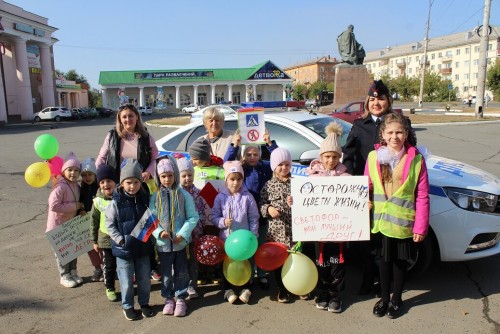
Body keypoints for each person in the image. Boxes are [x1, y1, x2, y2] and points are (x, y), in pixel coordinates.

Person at [342, 80, 417, 296]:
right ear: (367, 102)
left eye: (381, 98)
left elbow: (411, 154)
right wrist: (350, 182)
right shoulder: (359, 125)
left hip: (395, 191)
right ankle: (368, 280)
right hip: (369, 192)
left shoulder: (403, 124)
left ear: (389, 101)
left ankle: (388, 284)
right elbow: (349, 156)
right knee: (369, 242)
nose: (376, 103)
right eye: (372, 99)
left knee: (392, 243)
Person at [365, 112, 429, 319]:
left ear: (406, 133)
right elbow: (368, 184)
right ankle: (384, 298)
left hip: (402, 223)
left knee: (400, 263)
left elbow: (422, 195)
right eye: (390, 132)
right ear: (383, 134)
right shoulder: (374, 157)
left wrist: (420, 227)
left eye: (399, 132)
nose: (395, 136)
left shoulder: (417, 160)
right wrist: (364, 199)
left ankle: (397, 299)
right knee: (383, 262)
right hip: (381, 221)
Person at [96, 104, 160, 281]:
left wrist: (149, 170)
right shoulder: (112, 136)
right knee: (124, 225)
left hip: (141, 187)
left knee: (145, 223)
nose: (127, 120)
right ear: (119, 119)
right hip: (120, 188)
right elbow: (101, 159)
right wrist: (106, 178)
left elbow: (155, 156)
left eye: (131, 116)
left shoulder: (145, 136)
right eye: (124, 117)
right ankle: (127, 266)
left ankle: (151, 265)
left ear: (137, 117)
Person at [224, 129, 278, 290]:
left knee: (260, 245)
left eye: (255, 154)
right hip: (243, 216)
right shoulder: (241, 168)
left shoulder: (265, 167)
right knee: (246, 246)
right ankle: (248, 274)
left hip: (261, 214)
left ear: (260, 155)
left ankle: (261, 274)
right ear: (243, 156)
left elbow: (278, 159)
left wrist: (270, 143)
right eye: (248, 154)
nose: (252, 157)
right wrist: (235, 145)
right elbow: (226, 162)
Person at [305, 122, 350, 313]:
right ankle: (322, 292)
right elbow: (304, 202)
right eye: (327, 156)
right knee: (321, 263)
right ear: (321, 157)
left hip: (338, 235)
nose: (330, 160)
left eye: (334, 156)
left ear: (339, 157)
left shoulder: (347, 178)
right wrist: (295, 201)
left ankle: (335, 296)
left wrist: (364, 204)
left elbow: (353, 202)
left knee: (337, 265)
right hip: (319, 234)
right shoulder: (312, 178)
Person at [150, 156, 199, 317]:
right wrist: (159, 233)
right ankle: (168, 298)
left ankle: (180, 298)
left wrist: (183, 234)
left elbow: (193, 217)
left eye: (170, 175)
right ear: (158, 177)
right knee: (165, 272)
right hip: (163, 244)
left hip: (180, 244)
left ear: (175, 175)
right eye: (163, 176)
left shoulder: (184, 195)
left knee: (181, 271)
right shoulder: (155, 197)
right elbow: (151, 219)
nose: (167, 179)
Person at [105, 159, 154, 321]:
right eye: (128, 182)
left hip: (142, 248)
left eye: (135, 182)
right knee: (126, 282)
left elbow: (152, 218)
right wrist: (119, 240)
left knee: (144, 279)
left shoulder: (145, 198)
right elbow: (109, 224)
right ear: (122, 183)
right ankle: (128, 306)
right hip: (123, 250)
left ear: (140, 182)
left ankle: (144, 304)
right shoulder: (116, 202)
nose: (132, 186)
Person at [212, 161, 259, 304]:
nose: (235, 183)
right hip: (227, 239)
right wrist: (222, 222)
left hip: (245, 241)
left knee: (246, 263)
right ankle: (228, 289)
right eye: (232, 179)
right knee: (228, 264)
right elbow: (214, 216)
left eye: (239, 179)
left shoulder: (248, 197)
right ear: (226, 180)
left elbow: (253, 217)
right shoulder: (221, 197)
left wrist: (253, 236)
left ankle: (246, 288)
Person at [259, 148, 293, 303]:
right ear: (274, 166)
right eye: (280, 164)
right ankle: (282, 289)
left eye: (287, 164)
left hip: (294, 231)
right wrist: (268, 209)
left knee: (294, 260)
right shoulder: (268, 185)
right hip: (276, 231)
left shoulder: (297, 183)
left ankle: (297, 286)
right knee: (279, 261)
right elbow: (261, 204)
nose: (284, 168)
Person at [46, 152, 84, 288]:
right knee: (62, 252)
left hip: (70, 225)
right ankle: (64, 275)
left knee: (72, 249)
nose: (73, 173)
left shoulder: (76, 186)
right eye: (70, 170)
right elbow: (54, 205)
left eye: (76, 170)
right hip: (57, 226)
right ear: (63, 171)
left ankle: (72, 271)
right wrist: (75, 206)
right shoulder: (60, 186)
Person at [176, 157, 206, 299]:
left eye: (190, 175)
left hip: (194, 234)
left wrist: (199, 227)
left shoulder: (198, 193)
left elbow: (201, 212)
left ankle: (192, 286)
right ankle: (181, 285)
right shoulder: (176, 193)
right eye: (183, 175)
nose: (187, 178)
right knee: (181, 261)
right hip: (180, 235)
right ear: (178, 176)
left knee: (193, 261)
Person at [90, 165, 119, 302]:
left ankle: (127, 284)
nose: (105, 184)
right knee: (109, 265)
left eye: (109, 181)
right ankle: (110, 288)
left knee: (123, 263)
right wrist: (94, 241)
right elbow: (93, 222)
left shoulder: (121, 197)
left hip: (121, 238)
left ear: (115, 182)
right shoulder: (97, 201)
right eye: (102, 182)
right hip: (106, 240)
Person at [79, 157, 104, 282]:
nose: (87, 177)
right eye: (84, 175)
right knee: (90, 248)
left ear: (95, 174)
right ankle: (97, 268)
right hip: (87, 224)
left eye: (89, 174)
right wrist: (80, 210)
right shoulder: (81, 189)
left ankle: (105, 268)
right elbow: (80, 203)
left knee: (101, 247)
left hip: (100, 223)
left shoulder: (99, 188)